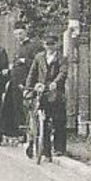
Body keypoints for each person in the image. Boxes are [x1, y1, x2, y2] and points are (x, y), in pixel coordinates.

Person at [24, 32, 67, 161]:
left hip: (55, 92)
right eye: (47, 44)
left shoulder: (61, 58)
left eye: (52, 44)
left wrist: (56, 83)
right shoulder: (39, 57)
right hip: (41, 90)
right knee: (43, 121)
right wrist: (27, 88)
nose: (49, 47)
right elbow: (32, 74)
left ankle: (59, 148)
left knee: (58, 120)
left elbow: (63, 73)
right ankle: (45, 151)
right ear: (44, 45)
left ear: (57, 44)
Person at [3, 25, 40, 145]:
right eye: (16, 34)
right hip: (15, 82)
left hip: (26, 82)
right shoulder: (18, 47)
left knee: (25, 108)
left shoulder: (33, 46)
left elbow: (38, 64)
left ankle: (27, 134)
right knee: (16, 107)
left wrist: (25, 61)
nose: (18, 37)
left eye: (20, 34)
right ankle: (19, 133)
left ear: (25, 33)